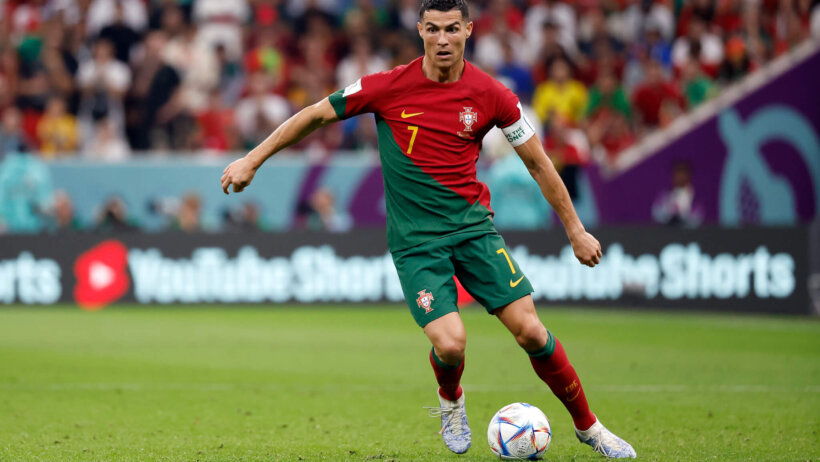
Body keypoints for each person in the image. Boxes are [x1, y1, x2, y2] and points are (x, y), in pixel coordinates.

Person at [220, 1, 636, 458]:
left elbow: (538, 163)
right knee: (452, 344)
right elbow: (315, 114)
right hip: (417, 244)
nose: (443, 39)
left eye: (452, 29)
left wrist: (575, 230)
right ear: (420, 30)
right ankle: (451, 401)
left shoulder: (492, 94)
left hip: (475, 231)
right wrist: (251, 159)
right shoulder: (387, 86)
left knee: (532, 333)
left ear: (468, 31)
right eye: (433, 29)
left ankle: (589, 427)